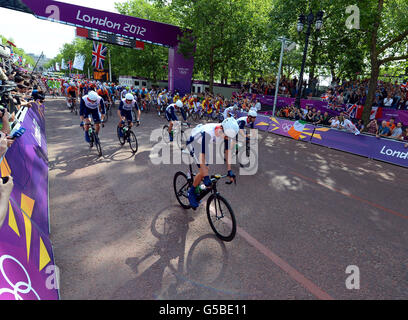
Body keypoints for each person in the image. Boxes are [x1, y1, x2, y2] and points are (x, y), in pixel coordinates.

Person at [186, 117, 239, 210]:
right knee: (203, 172)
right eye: (226, 136)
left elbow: (227, 151)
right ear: (221, 129)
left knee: (206, 169)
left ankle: (197, 182)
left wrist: (229, 170)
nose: (227, 138)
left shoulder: (226, 132)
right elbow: (202, 155)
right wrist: (206, 176)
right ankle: (191, 192)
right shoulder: (208, 133)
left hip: (204, 145)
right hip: (193, 142)